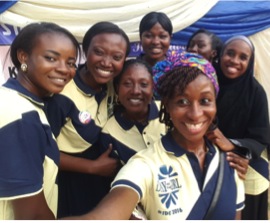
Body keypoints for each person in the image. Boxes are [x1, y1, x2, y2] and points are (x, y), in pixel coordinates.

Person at [64, 52, 245, 220]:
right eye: (182, 101)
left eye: (205, 101)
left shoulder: (229, 161)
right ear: (166, 105)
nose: (195, 114)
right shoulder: (144, 165)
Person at [46, 21, 131, 218]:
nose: (106, 62)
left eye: (116, 57)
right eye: (99, 52)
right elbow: (42, 153)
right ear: (85, 51)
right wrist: (92, 168)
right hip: (71, 182)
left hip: (103, 178)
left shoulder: (114, 86)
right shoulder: (63, 95)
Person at [0, 22, 81, 219]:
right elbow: (32, 215)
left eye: (71, 63)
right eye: (51, 58)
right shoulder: (21, 116)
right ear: (23, 57)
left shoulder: (13, 99)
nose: (64, 69)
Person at [206, 35, 270, 220]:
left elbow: (260, 138)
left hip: (245, 166)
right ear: (220, 55)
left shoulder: (256, 93)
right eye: (230, 53)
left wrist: (232, 144)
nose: (234, 61)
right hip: (207, 162)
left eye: (243, 57)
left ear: (250, 62)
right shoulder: (208, 83)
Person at [186, 30, 249, 180]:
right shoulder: (183, 77)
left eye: (200, 45)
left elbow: (259, 135)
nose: (194, 49)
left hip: (233, 159)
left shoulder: (217, 81)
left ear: (214, 53)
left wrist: (234, 145)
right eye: (191, 45)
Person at [99, 58, 166, 165]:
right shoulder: (110, 132)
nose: (135, 91)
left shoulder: (168, 111)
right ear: (117, 88)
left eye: (143, 84)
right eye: (127, 83)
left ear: (152, 88)